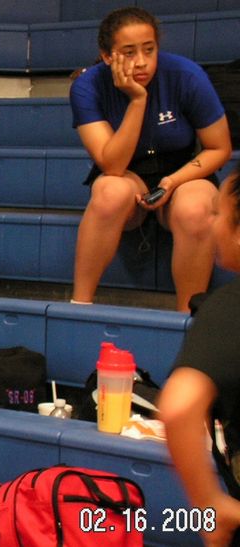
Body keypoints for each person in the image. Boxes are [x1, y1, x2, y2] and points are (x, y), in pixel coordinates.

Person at [69, 7, 231, 312]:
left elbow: (219, 148)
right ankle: (79, 306)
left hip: (183, 174)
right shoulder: (87, 86)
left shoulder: (187, 75)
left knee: (196, 208)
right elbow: (112, 165)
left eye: (149, 49)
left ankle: (188, 317)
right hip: (127, 174)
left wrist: (172, 181)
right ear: (107, 56)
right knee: (109, 193)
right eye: (129, 52)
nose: (142, 61)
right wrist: (138, 100)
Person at [158, 169, 240, 547]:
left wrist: (210, 505)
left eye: (218, 214)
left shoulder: (229, 307)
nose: (211, 223)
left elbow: (178, 407)